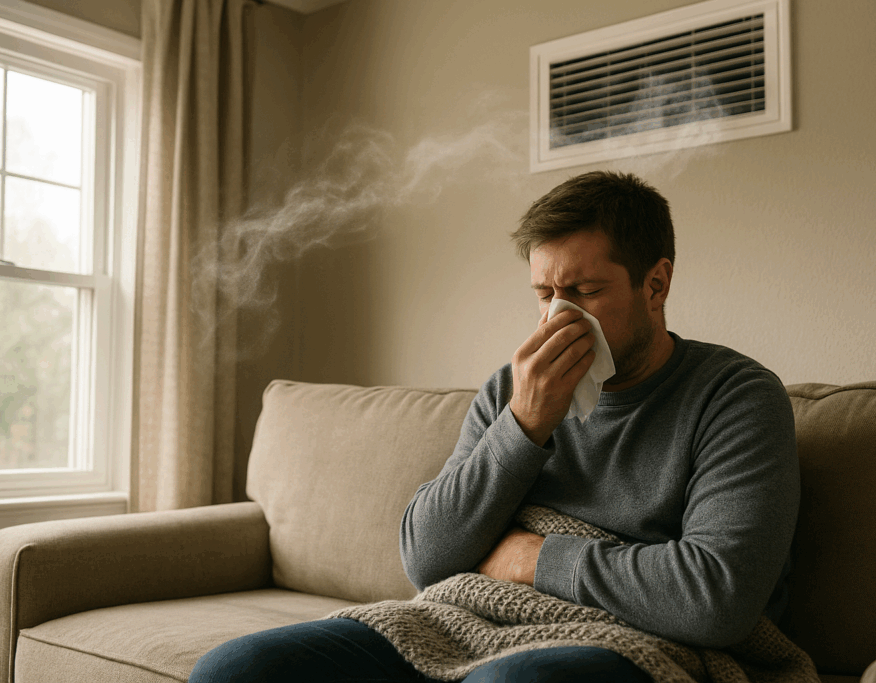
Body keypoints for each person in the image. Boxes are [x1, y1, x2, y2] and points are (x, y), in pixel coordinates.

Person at [189, 171, 800, 683]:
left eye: (585, 291)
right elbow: (426, 559)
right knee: (237, 668)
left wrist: (531, 559)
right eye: (544, 294)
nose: (560, 317)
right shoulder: (513, 390)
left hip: (625, 641)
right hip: (467, 619)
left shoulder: (734, 396)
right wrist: (525, 424)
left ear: (656, 284)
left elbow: (717, 597)